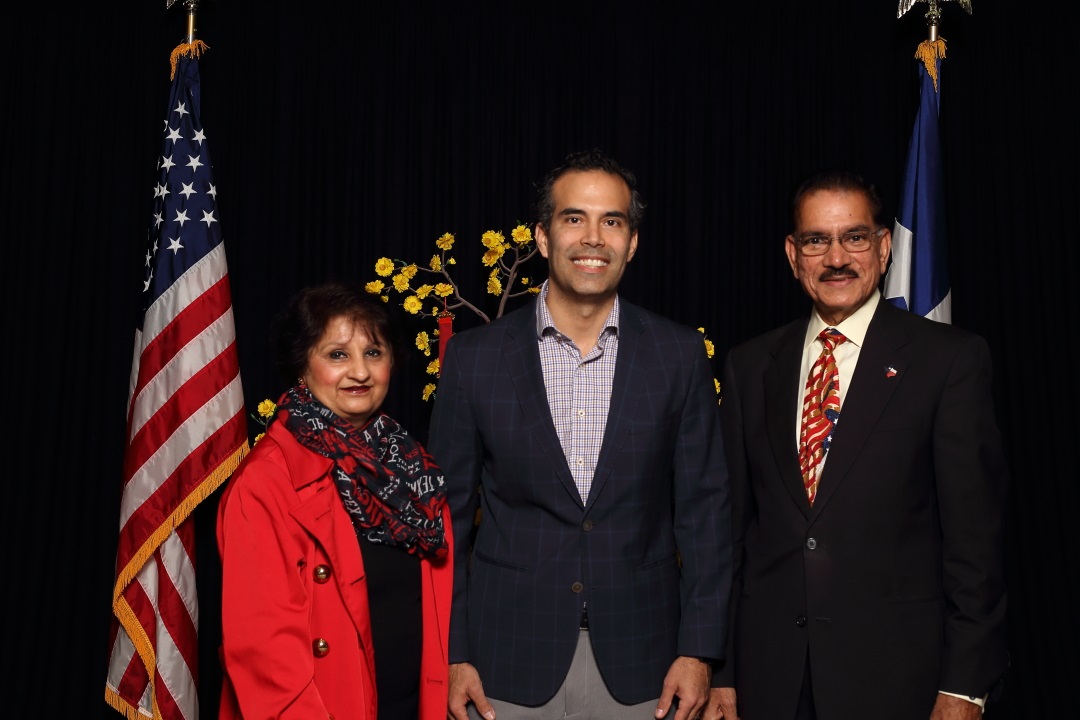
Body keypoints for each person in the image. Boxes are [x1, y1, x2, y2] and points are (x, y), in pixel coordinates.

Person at [428, 148, 733, 720]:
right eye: (574, 218)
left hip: (648, 663)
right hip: (503, 662)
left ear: (632, 242)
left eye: (612, 221)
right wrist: (453, 653)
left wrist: (700, 652)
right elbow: (446, 522)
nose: (593, 238)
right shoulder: (474, 359)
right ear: (543, 237)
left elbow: (706, 515)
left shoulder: (678, 354)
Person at [709, 170, 1009, 720]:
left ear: (884, 246)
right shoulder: (750, 367)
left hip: (899, 682)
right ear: (792, 254)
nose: (836, 258)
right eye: (816, 240)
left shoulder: (948, 362)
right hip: (768, 682)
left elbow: (975, 547)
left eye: (854, 237)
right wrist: (721, 672)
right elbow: (728, 538)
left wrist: (966, 686)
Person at [215, 281, 454, 720]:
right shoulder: (265, 483)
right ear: (301, 366)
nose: (360, 372)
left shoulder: (411, 468)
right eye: (337, 354)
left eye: (374, 352)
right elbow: (266, 662)